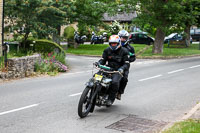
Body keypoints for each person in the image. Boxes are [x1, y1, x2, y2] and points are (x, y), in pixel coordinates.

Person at [95, 35, 130, 106]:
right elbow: (103, 60)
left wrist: (122, 69)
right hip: (108, 68)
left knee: (115, 82)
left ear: (118, 43)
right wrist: (98, 63)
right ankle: (95, 92)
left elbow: (127, 64)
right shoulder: (107, 50)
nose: (113, 45)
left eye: (115, 43)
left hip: (118, 70)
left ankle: (111, 99)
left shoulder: (124, 51)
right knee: (96, 78)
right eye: (111, 43)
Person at [116, 30, 136, 100]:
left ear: (127, 38)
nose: (122, 39)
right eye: (120, 37)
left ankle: (119, 93)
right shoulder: (114, 45)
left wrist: (127, 60)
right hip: (113, 64)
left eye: (124, 38)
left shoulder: (130, 48)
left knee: (124, 79)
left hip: (124, 66)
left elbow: (133, 58)